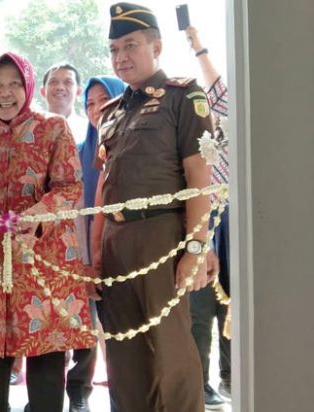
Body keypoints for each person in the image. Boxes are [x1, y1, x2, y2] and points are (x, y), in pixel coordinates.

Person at [0, 52, 95, 412]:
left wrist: (34, 216)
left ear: (29, 86)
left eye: (14, 83)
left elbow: (69, 187)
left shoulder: (53, 128)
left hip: (42, 263)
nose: (5, 92)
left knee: (47, 368)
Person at [94, 3, 218, 411]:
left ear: (157, 46)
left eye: (130, 45)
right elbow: (103, 190)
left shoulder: (183, 96)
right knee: (124, 357)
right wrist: (97, 255)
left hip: (161, 237)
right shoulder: (110, 114)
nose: (120, 57)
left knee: (171, 355)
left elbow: (198, 177)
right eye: (113, 48)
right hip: (116, 243)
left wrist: (196, 249)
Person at [40, 63, 104, 412]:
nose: (61, 87)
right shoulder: (33, 130)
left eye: (68, 82)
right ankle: (45, 394)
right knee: (47, 318)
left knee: (85, 319)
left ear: (76, 91)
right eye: (54, 82)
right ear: (42, 90)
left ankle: (79, 391)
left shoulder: (89, 131)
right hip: (45, 242)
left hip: (82, 236)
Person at [185, 24, 232, 409]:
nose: (209, 109)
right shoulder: (196, 142)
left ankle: (233, 377)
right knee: (199, 313)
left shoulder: (240, 125)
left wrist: (197, 43)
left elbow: (217, 85)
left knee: (234, 308)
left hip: (238, 226)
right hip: (204, 223)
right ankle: (201, 385)